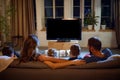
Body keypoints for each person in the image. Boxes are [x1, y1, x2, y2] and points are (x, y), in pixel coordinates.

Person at [38, 37, 112, 69]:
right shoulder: (107, 51)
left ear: (92, 48)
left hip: (72, 61)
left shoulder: (90, 59)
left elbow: (67, 62)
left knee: (65, 60)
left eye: (88, 45)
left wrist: (47, 58)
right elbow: (100, 54)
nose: (87, 46)